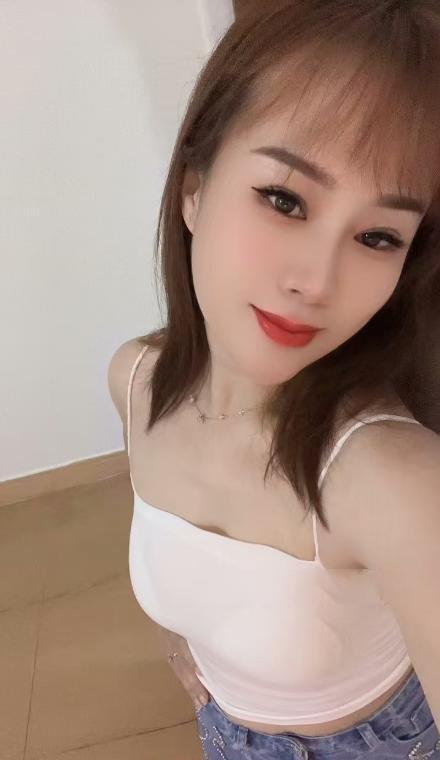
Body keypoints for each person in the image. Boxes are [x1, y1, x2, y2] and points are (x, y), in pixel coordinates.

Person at [108, 1, 440, 757]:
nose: (316, 282)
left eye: (378, 236)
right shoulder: (135, 381)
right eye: (285, 199)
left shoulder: (390, 476)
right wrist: (182, 647)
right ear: (194, 187)